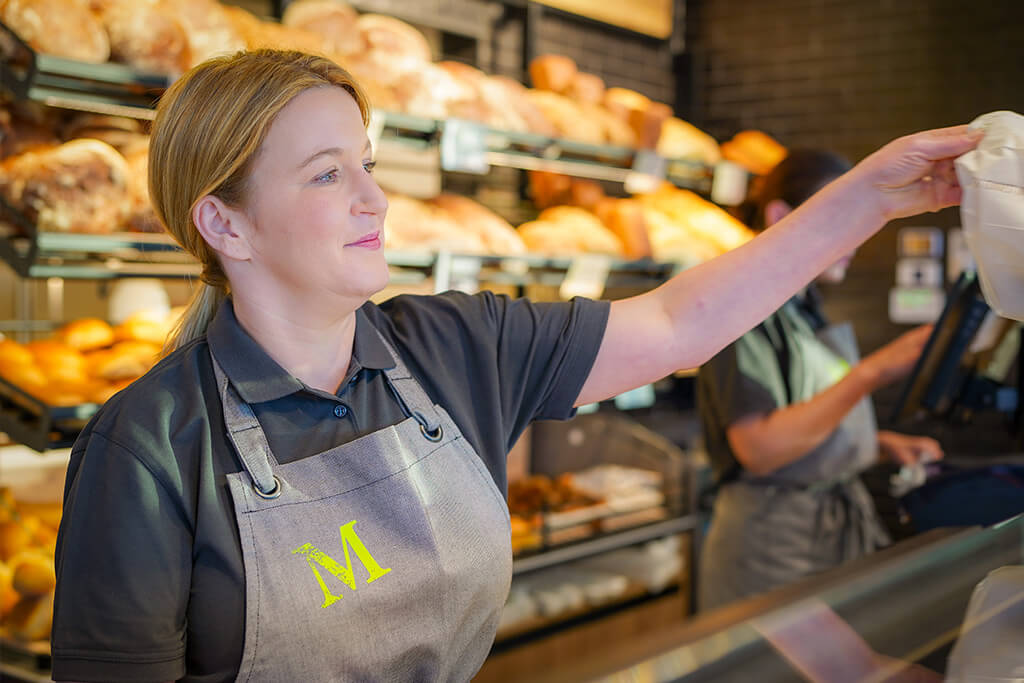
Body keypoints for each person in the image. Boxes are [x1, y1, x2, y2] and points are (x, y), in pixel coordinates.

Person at [50, 49, 980, 683]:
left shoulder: (452, 347)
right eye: (329, 173)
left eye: (369, 164)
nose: (376, 197)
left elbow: (678, 320)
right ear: (226, 223)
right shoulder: (148, 448)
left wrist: (872, 196)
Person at [696, 149, 946, 612]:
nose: (857, 236)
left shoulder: (800, 304)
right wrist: (871, 374)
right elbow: (762, 449)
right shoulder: (737, 305)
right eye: (839, 217)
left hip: (821, 532)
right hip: (770, 547)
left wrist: (875, 442)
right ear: (779, 215)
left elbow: (803, 419)